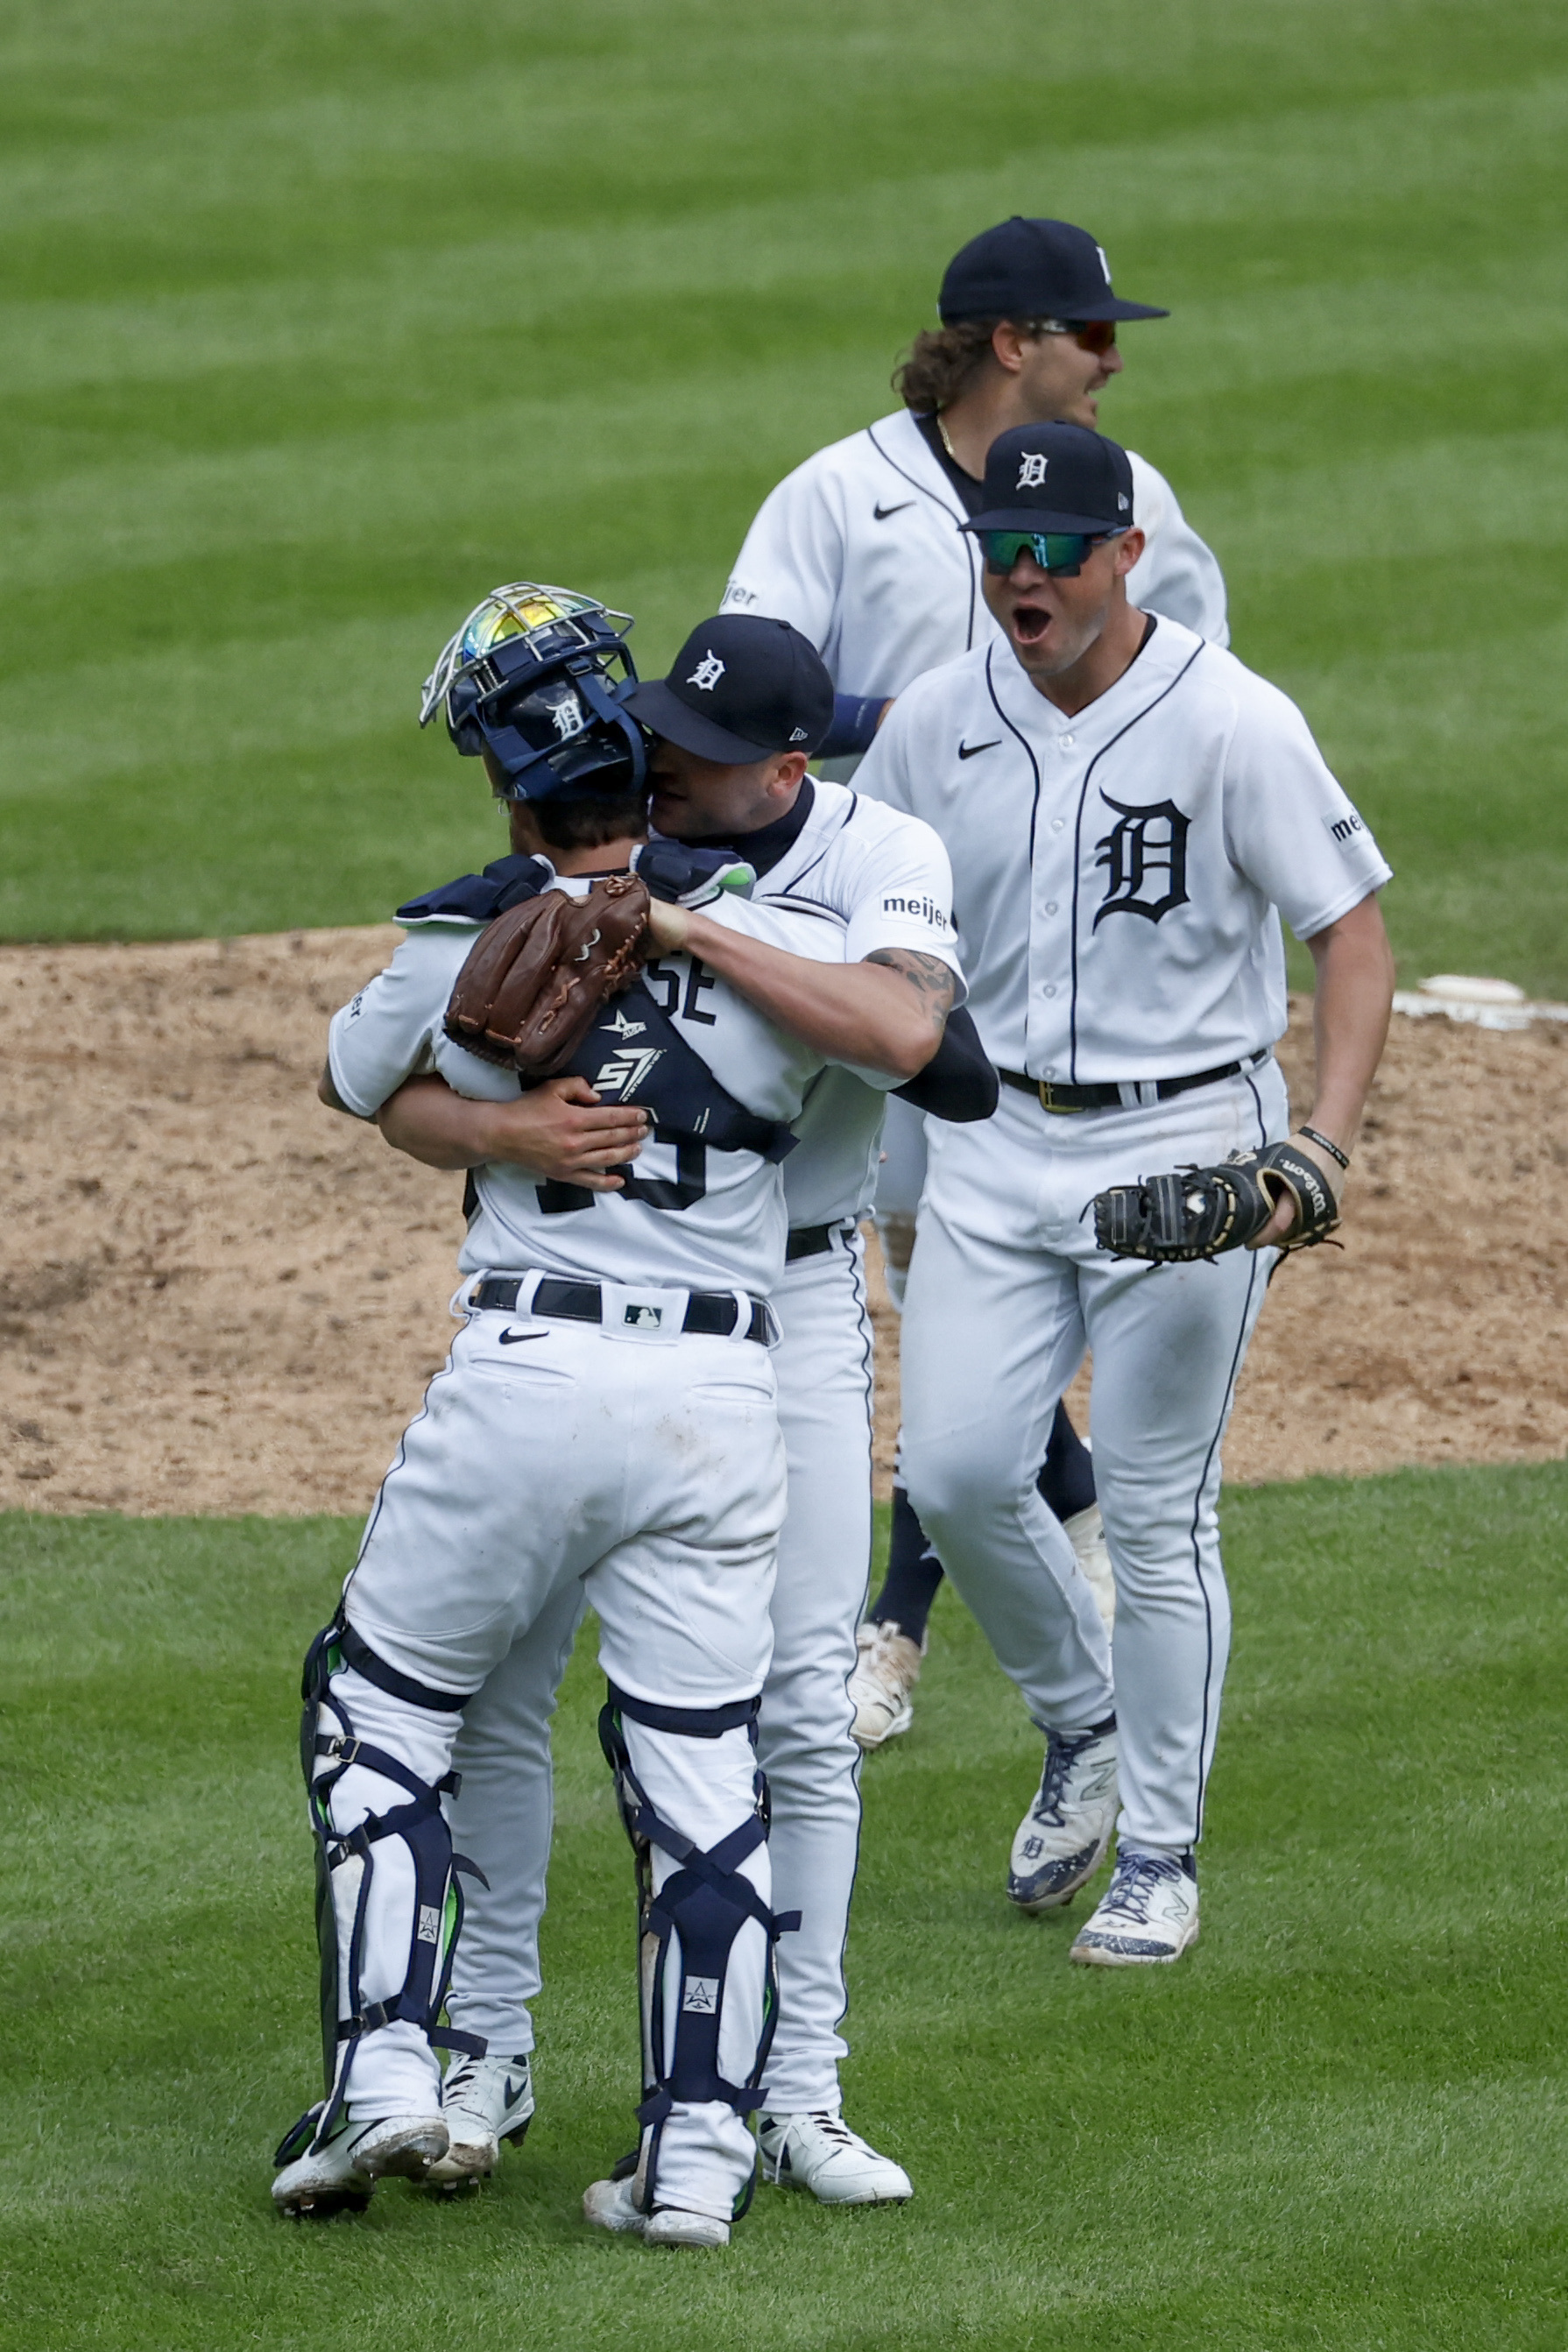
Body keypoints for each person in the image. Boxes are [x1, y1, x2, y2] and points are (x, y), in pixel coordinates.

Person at [271, 586, 960, 2246]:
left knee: (378, 1707)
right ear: (637, 756)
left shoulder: (463, 936)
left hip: (525, 1376)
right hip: (728, 1393)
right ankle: (704, 2160)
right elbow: (922, 1053)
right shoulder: (771, 939)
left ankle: (386, 2072)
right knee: (704, 1766)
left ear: (508, 787)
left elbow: (355, 1080)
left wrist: (494, 1111)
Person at [854, 421, 1395, 1959]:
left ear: (1122, 557)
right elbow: (866, 919)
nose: (1021, 576)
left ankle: (1160, 1851)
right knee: (955, 1475)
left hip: (1186, 1151)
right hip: (989, 1145)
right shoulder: (935, 724)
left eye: (1051, 552)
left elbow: (1349, 934)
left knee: (1155, 1516)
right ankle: (1082, 1722)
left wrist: (1316, 1149)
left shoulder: (1230, 721)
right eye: (997, 551)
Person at [719, 214, 1231, 1744]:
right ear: (1012, 341)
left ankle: (902, 1613)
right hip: (879, 943)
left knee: (975, 1269)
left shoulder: (1128, 499)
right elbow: (749, 679)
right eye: (1090, 331)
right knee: (923, 1270)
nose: (1114, 357)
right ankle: (1049, 1519)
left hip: (1069, 948)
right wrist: (930, 706)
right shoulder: (838, 492)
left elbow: (1190, 674)